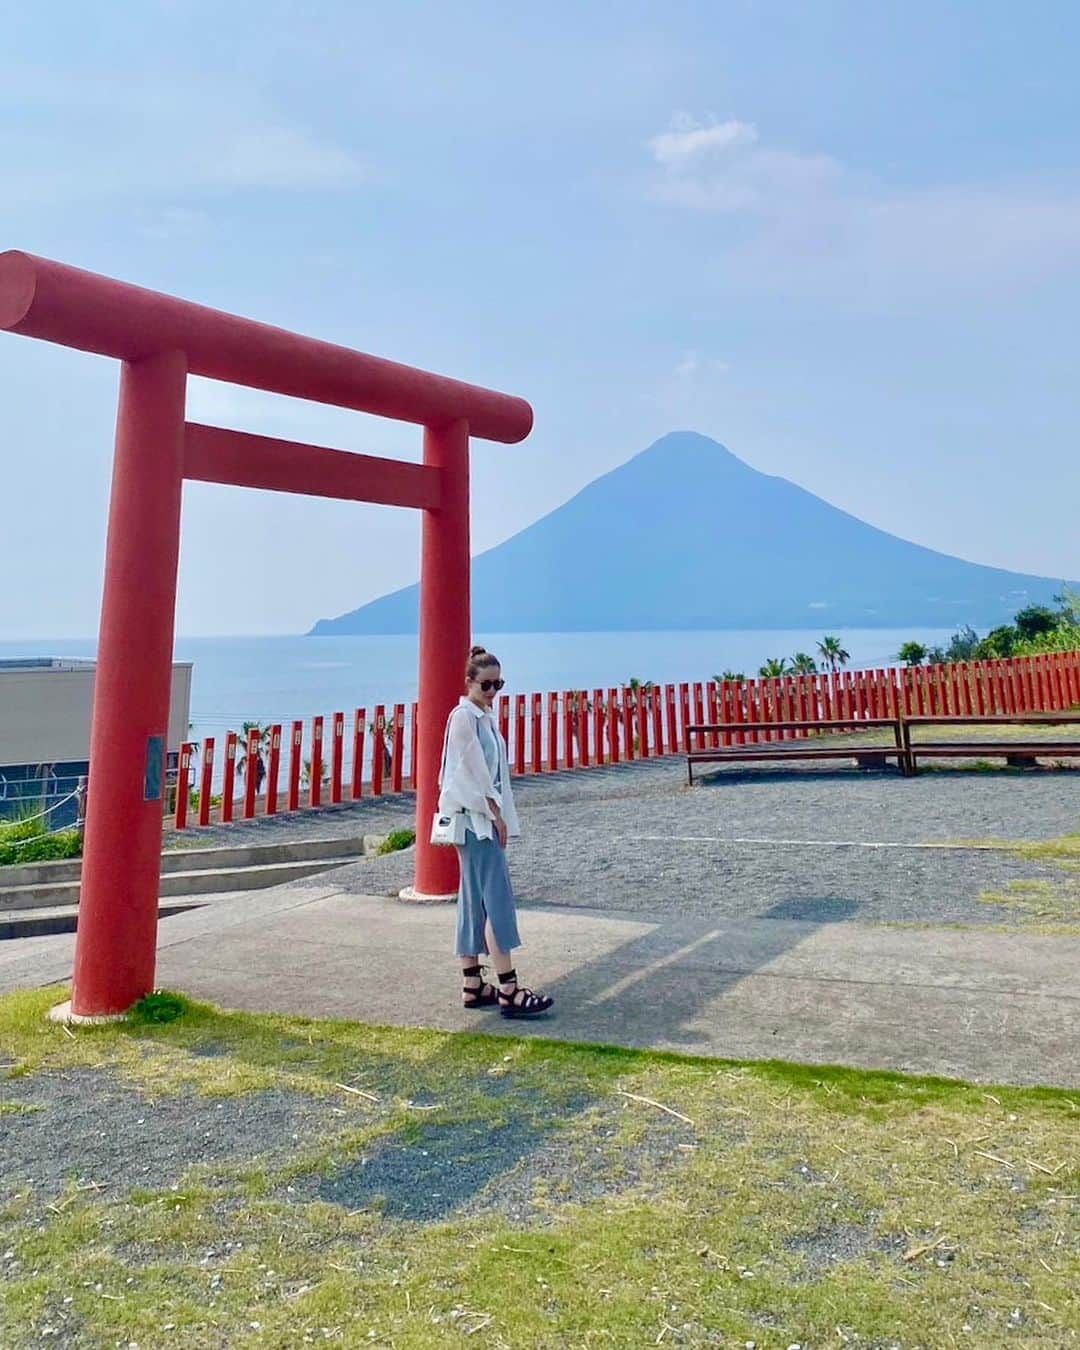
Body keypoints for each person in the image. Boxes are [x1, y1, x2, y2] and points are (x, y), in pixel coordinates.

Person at [438, 646, 553, 1019]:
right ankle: (509, 988)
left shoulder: (483, 718)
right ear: (469, 681)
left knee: (474, 901)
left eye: (498, 684)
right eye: (486, 684)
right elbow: (472, 775)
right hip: (478, 823)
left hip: (478, 822)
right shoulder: (464, 718)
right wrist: (496, 816)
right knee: (495, 902)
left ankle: (473, 983)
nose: (492, 692)